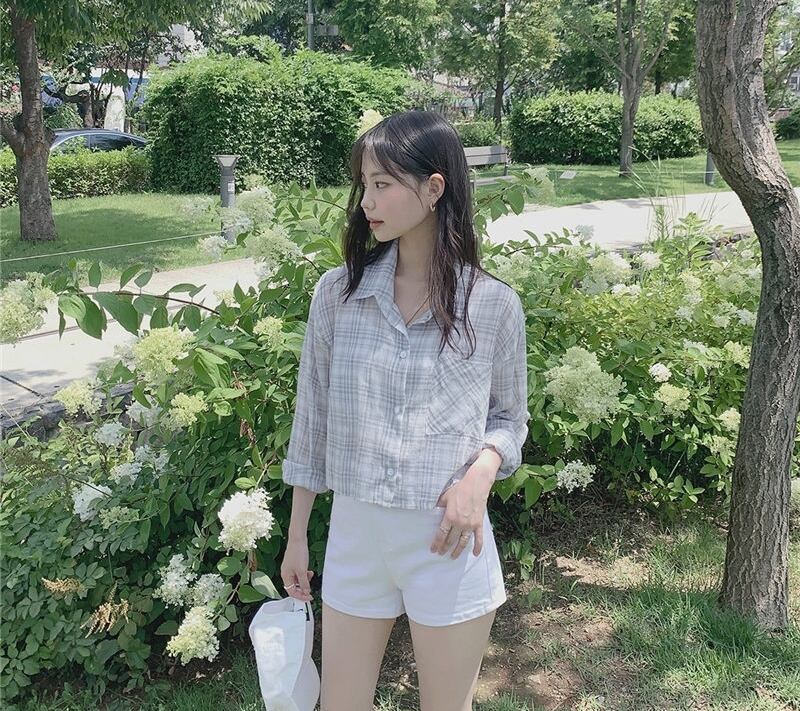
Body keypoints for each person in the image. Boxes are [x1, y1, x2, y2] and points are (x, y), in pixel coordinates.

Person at [279, 109, 529, 711]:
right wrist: (297, 536)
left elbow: (509, 420)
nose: (367, 201)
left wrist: (480, 475)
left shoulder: (492, 305)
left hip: (448, 538)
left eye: (383, 184)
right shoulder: (337, 294)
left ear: (434, 188)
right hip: (357, 533)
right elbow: (312, 419)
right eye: (364, 184)